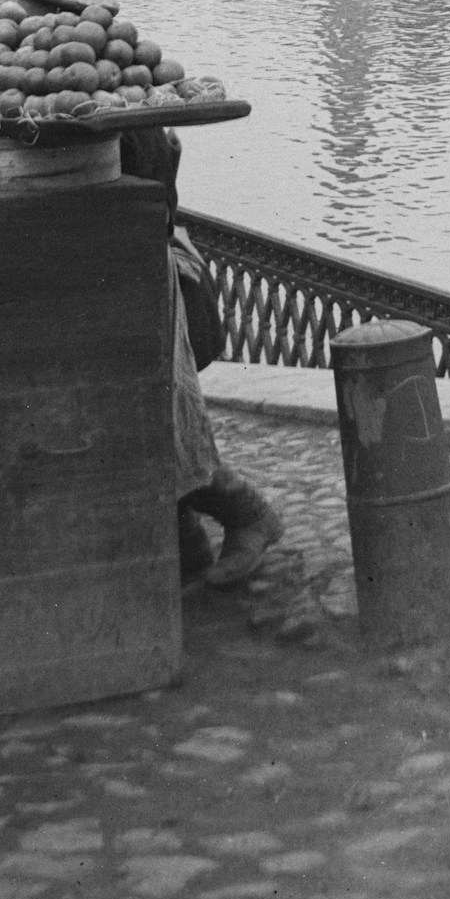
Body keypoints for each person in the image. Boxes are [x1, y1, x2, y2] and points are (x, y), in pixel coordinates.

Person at [118, 119, 284, 588]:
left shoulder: (126, 124)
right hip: (127, 266)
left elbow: (151, 205)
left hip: (149, 273)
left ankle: (247, 513)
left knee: (163, 421)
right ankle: (183, 535)